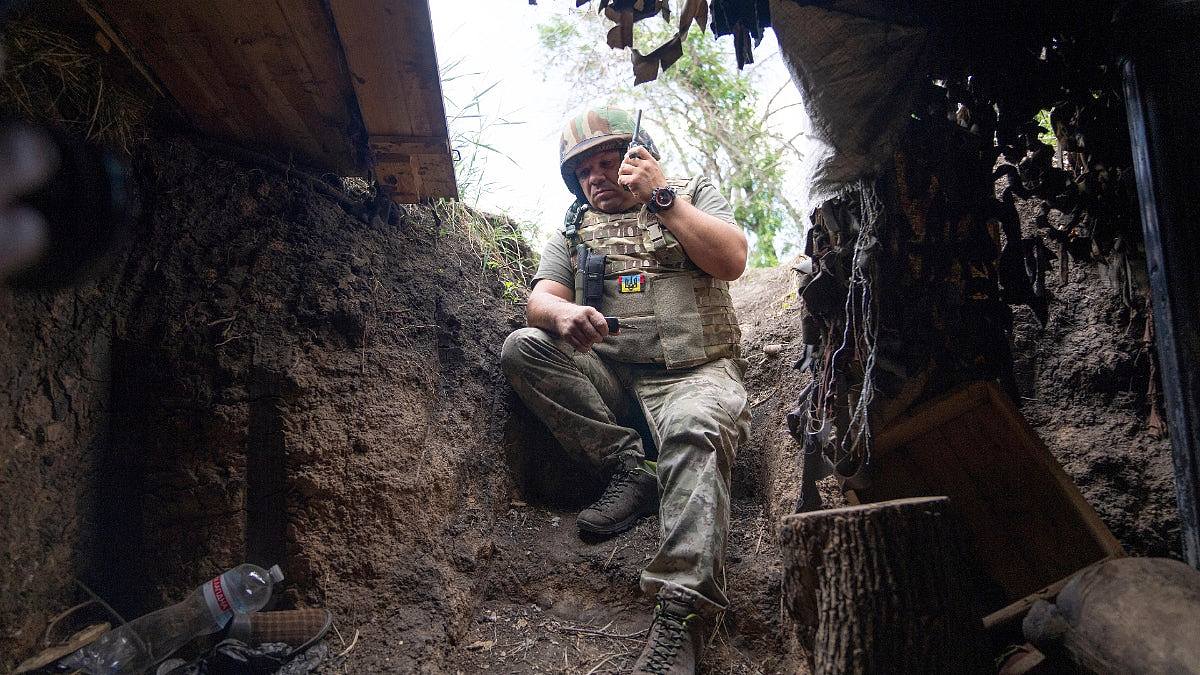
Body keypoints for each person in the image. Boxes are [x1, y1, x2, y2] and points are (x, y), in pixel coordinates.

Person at [500, 107, 751, 674]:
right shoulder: (572, 226)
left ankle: (680, 617)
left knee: (694, 427)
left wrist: (663, 199)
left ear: (641, 157)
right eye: (582, 171)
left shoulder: (686, 197)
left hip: (694, 375)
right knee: (524, 345)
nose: (595, 177)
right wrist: (562, 314)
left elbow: (731, 260)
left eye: (607, 161)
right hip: (614, 384)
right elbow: (539, 299)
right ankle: (630, 469)